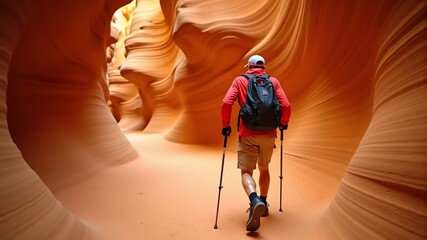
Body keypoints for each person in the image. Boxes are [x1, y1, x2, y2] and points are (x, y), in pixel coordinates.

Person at [221, 54, 291, 232]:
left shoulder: (240, 81)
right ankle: (264, 202)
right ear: (264, 67)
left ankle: (254, 200)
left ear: (248, 67)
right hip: (269, 134)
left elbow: (226, 102)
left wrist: (226, 125)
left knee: (246, 171)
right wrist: (284, 123)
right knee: (264, 168)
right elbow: (286, 105)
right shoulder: (273, 82)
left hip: (247, 133)